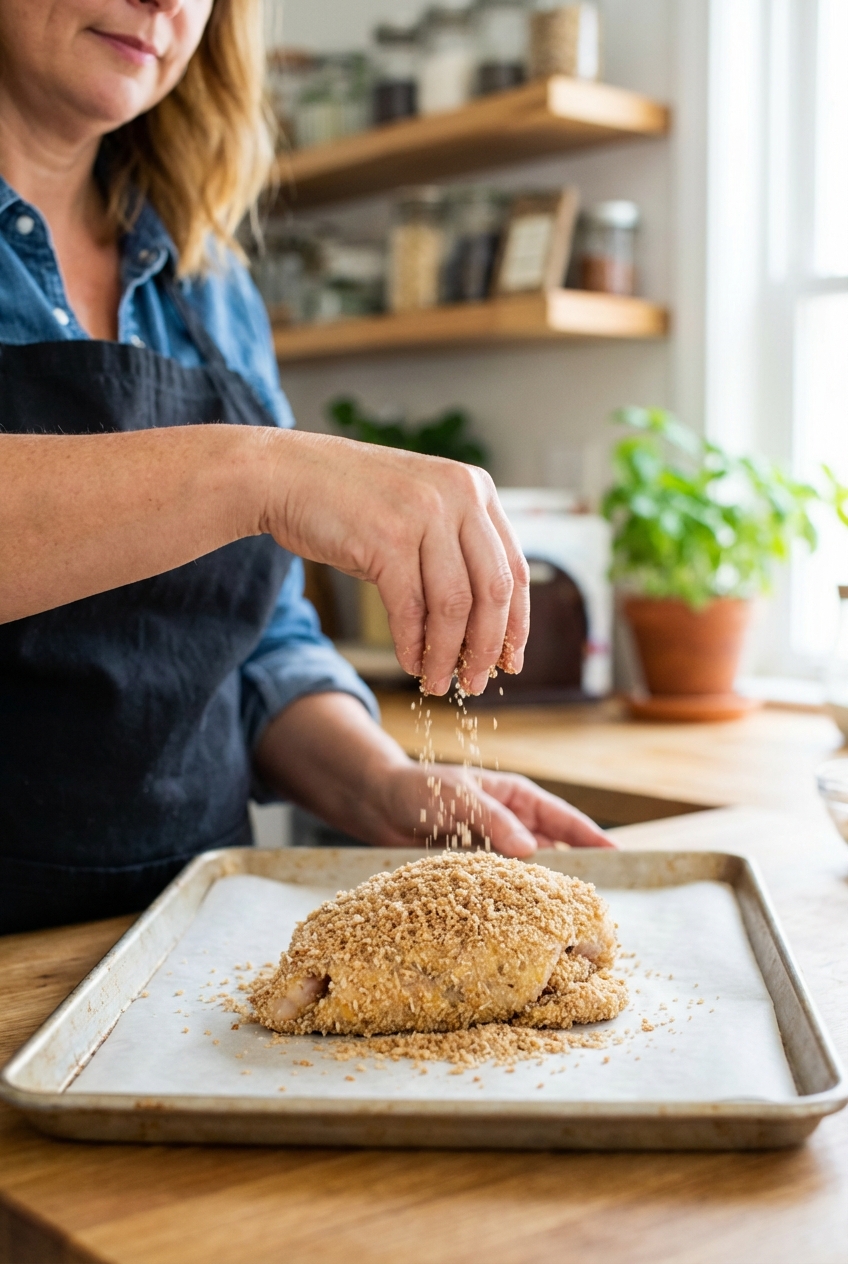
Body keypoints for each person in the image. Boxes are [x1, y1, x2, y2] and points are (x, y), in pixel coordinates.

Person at [0, 0, 610, 936]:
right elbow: (253, 485)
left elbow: (258, 646)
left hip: (179, 963)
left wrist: (383, 785)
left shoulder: (210, 283)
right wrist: (256, 474)